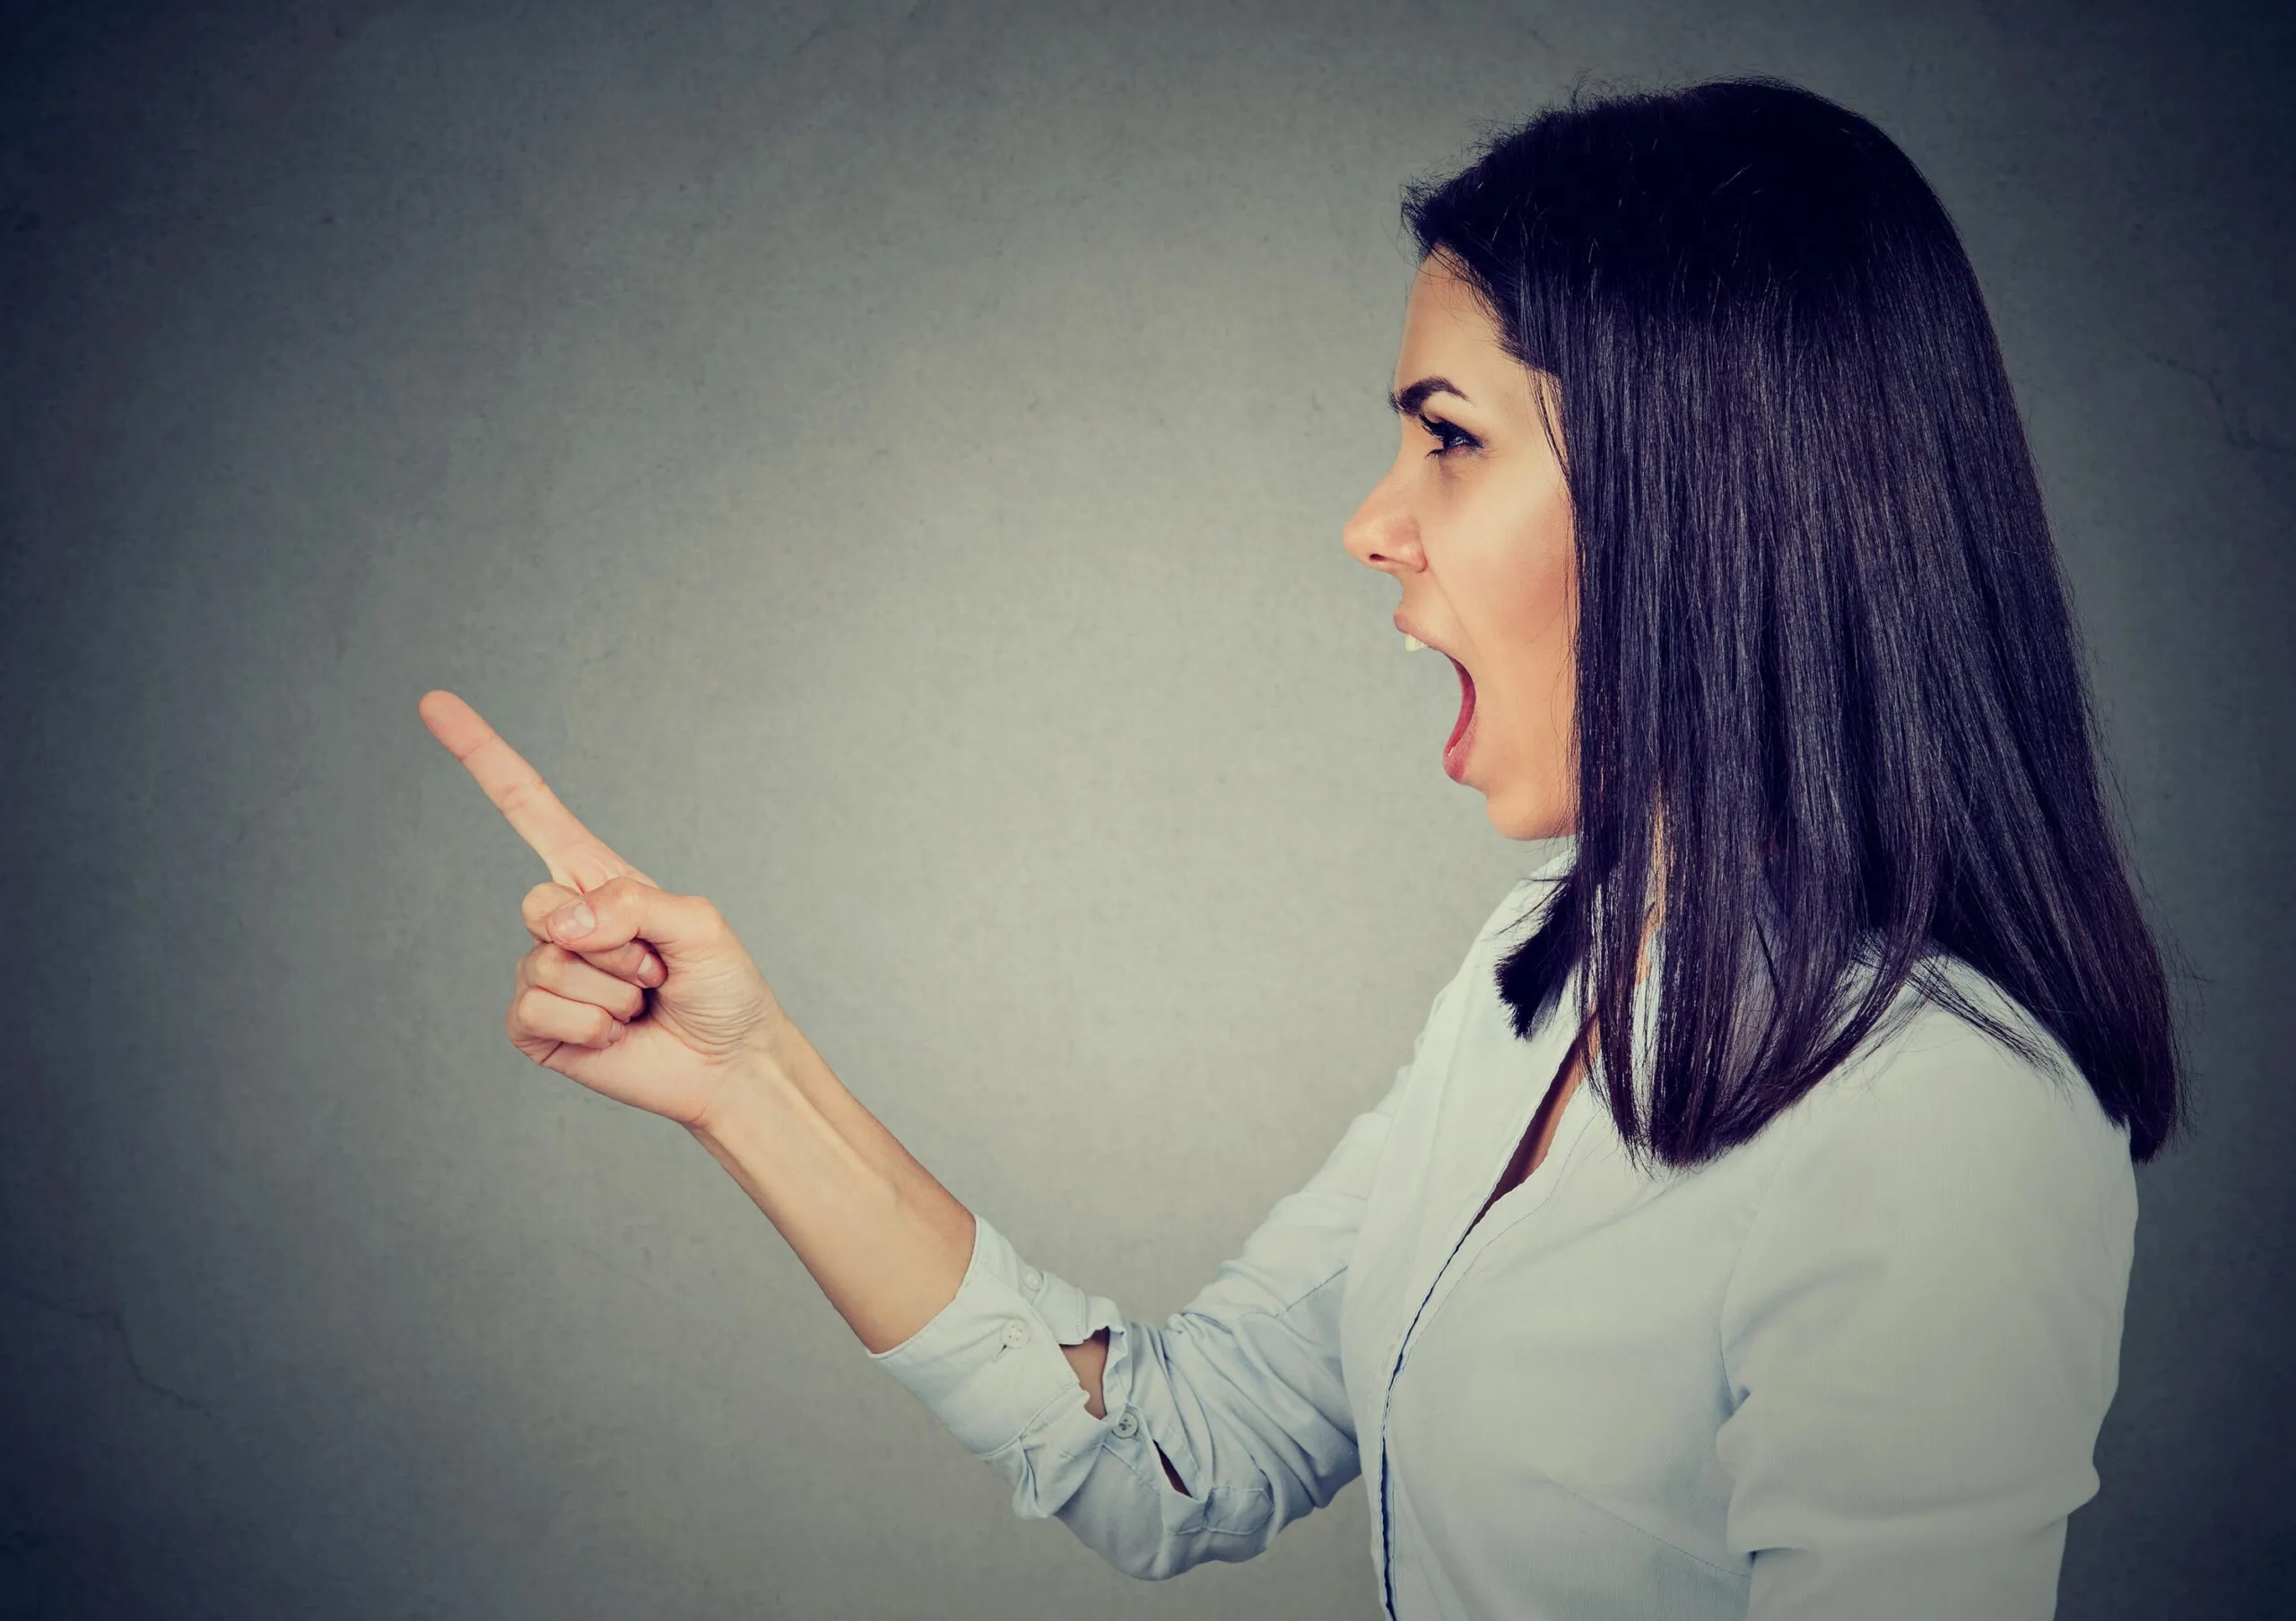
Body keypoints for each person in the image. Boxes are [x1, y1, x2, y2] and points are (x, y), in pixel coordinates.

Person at [421, 73, 2186, 1621]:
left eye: (1447, 438)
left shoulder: (1939, 1117)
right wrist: (750, 1082)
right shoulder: (1538, 981)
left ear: (1700, 488)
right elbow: (1174, 1458)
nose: (1367, 524)